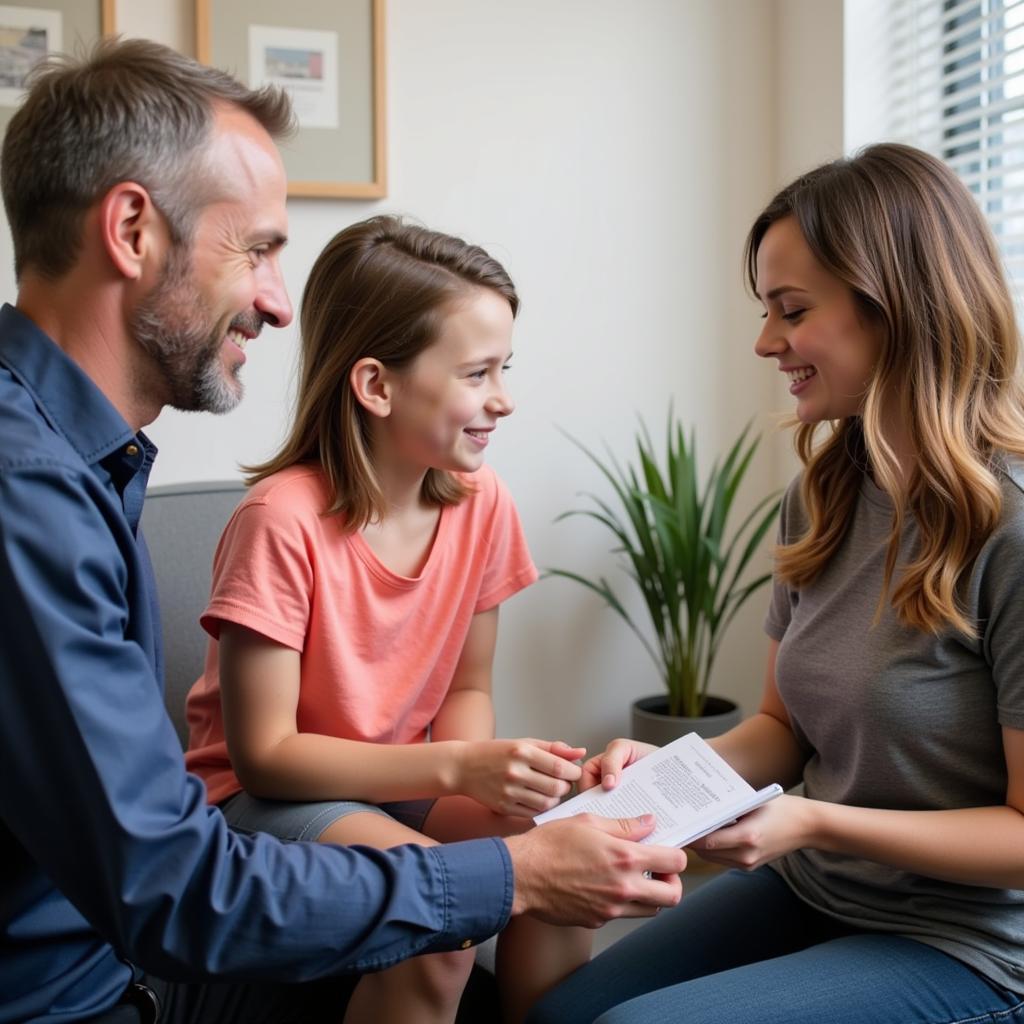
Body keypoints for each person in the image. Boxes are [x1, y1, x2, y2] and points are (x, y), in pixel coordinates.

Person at [0, 38, 687, 1024]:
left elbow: (464, 688)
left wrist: (509, 794)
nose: (280, 302)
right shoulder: (31, 489)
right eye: (259, 249)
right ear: (132, 230)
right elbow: (173, 878)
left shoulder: (78, 464)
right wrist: (501, 869)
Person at [527, 143, 1024, 1024]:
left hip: (971, 942)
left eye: (790, 310)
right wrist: (670, 772)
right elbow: (780, 731)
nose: (765, 342)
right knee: (557, 1014)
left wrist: (814, 822)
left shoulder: (1010, 530)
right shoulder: (825, 496)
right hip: (822, 887)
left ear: (894, 308)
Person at [184, 215, 593, 1024]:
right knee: (439, 925)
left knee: (567, 849)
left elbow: (467, 687)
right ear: (376, 386)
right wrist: (456, 769)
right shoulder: (281, 522)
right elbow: (265, 758)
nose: (503, 400)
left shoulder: (482, 503)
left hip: (399, 782)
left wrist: (493, 764)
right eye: (477, 373)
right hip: (259, 803)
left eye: (503, 368)